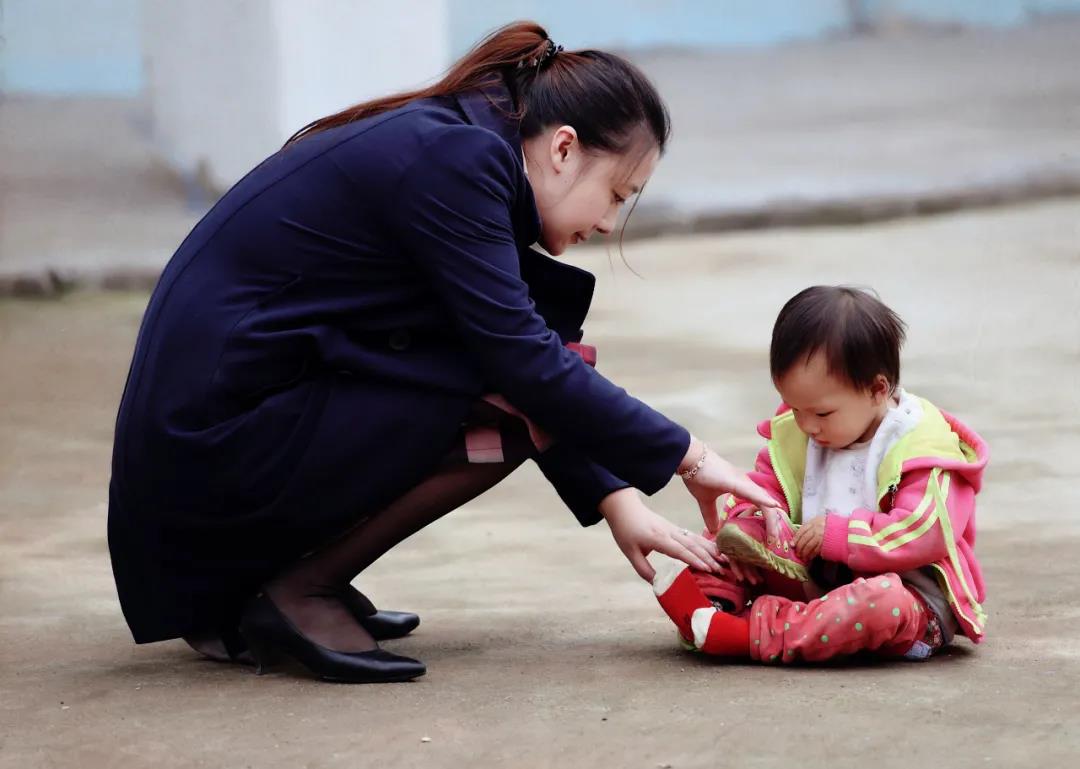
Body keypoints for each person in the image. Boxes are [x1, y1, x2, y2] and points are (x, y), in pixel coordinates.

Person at [107, 21, 781, 683]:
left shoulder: (467, 142)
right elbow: (521, 363)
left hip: (224, 422)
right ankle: (298, 589)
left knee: (511, 379)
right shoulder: (461, 161)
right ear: (565, 148)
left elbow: (521, 353)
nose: (608, 223)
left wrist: (616, 496)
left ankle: (289, 582)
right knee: (502, 404)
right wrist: (690, 456)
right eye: (617, 195)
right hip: (209, 443)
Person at [654, 286, 988, 663]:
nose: (807, 425)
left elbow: (924, 531)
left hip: (909, 603)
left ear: (878, 390)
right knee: (725, 536)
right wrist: (749, 526)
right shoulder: (802, 430)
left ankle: (744, 634)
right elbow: (766, 487)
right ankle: (710, 606)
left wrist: (842, 535)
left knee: (881, 603)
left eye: (822, 414)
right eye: (795, 408)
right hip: (817, 581)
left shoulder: (921, 444)